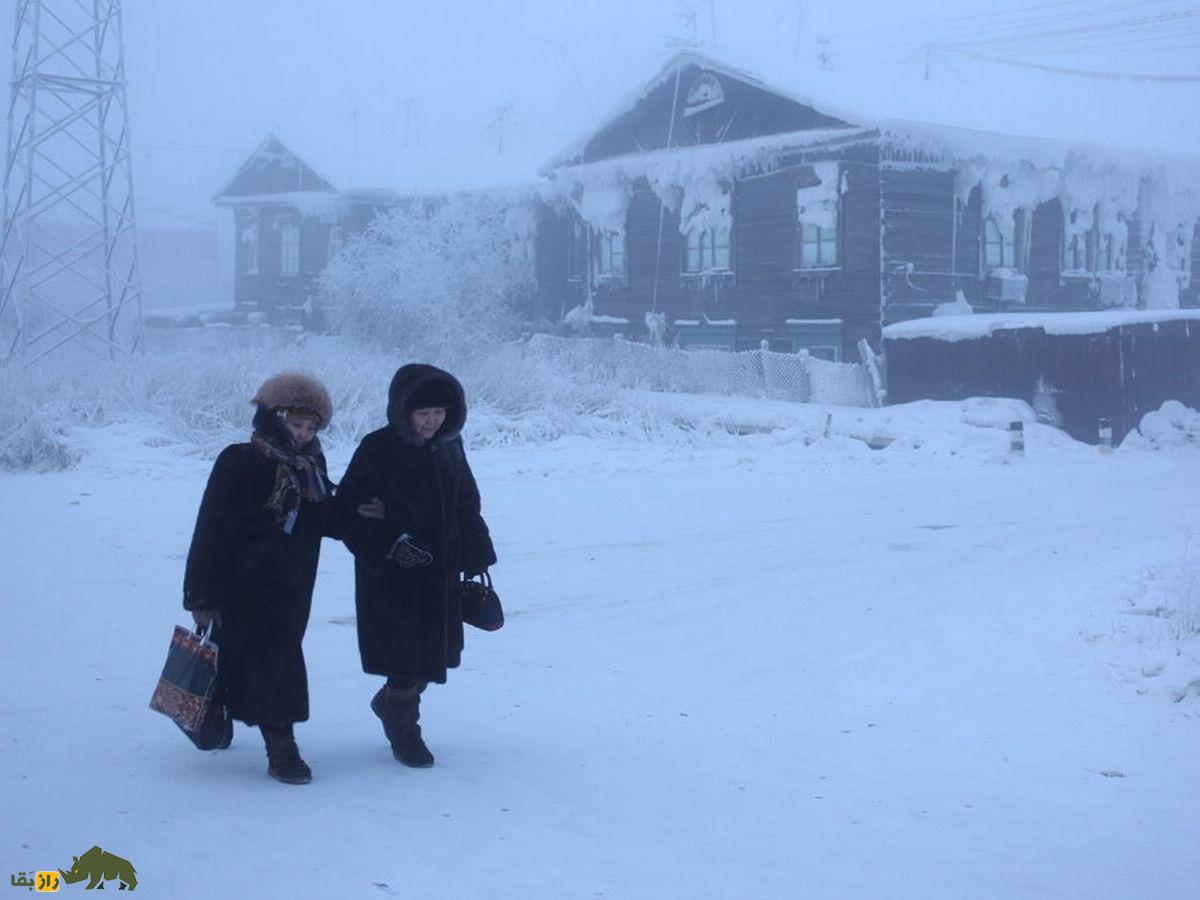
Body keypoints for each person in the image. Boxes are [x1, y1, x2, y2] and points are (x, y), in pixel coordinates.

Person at [182, 372, 382, 785]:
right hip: (241, 585)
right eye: (296, 424)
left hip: (292, 587)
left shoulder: (310, 466)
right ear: (273, 417)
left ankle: (215, 717)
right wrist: (201, 596)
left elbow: (324, 515)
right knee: (276, 663)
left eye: (311, 427)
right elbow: (210, 529)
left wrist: (362, 514)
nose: (303, 434)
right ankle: (281, 747)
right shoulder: (239, 461)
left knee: (243, 659)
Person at [336, 363, 496, 768]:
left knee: (433, 656)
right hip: (393, 578)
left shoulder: (450, 445)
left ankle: (392, 702)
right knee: (406, 659)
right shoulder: (378, 449)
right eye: (424, 413)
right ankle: (404, 732)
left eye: (439, 412)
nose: (432, 420)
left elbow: (466, 502)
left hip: (441, 571)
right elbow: (344, 514)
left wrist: (476, 556)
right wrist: (390, 542)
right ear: (403, 410)